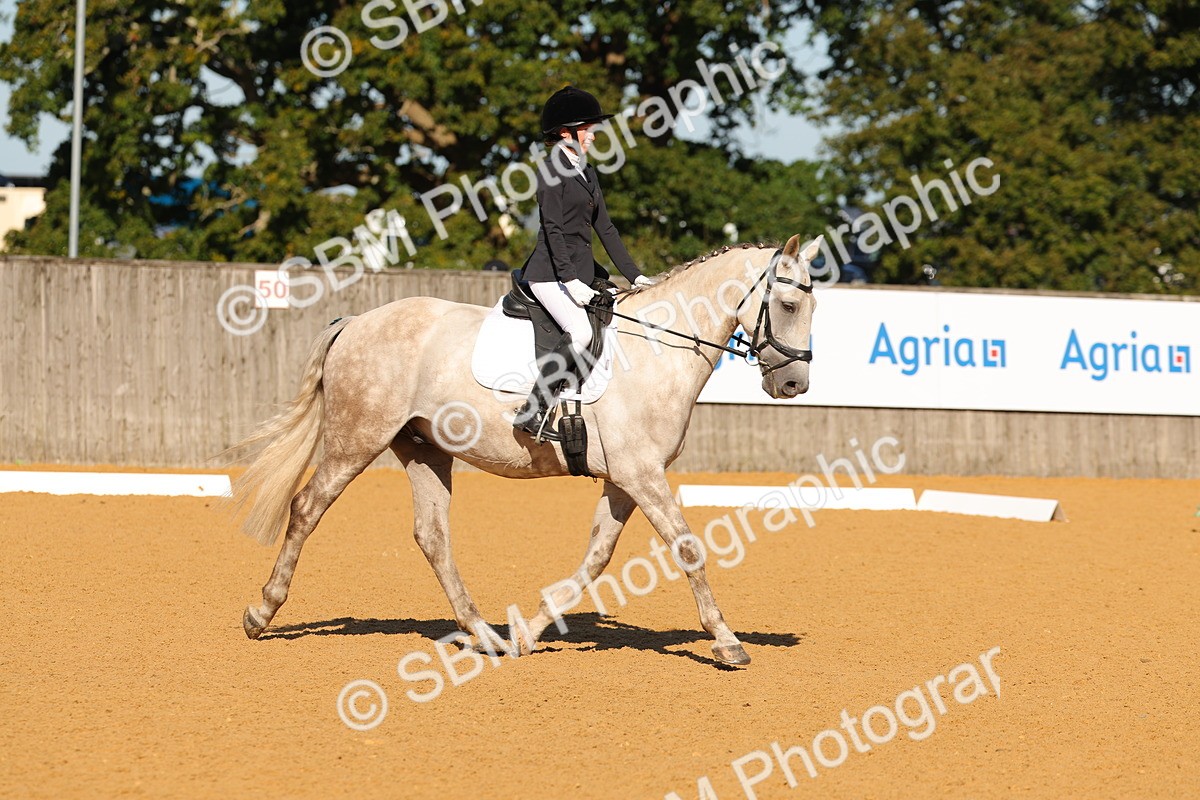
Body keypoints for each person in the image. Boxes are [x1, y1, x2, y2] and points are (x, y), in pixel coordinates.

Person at [513, 85, 653, 435]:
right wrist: (570, 280)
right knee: (579, 331)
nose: (593, 135)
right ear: (565, 133)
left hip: (582, 271)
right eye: (588, 128)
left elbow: (605, 228)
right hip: (549, 273)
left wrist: (635, 276)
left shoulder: (586, 172)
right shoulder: (550, 171)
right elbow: (552, 229)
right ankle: (533, 412)